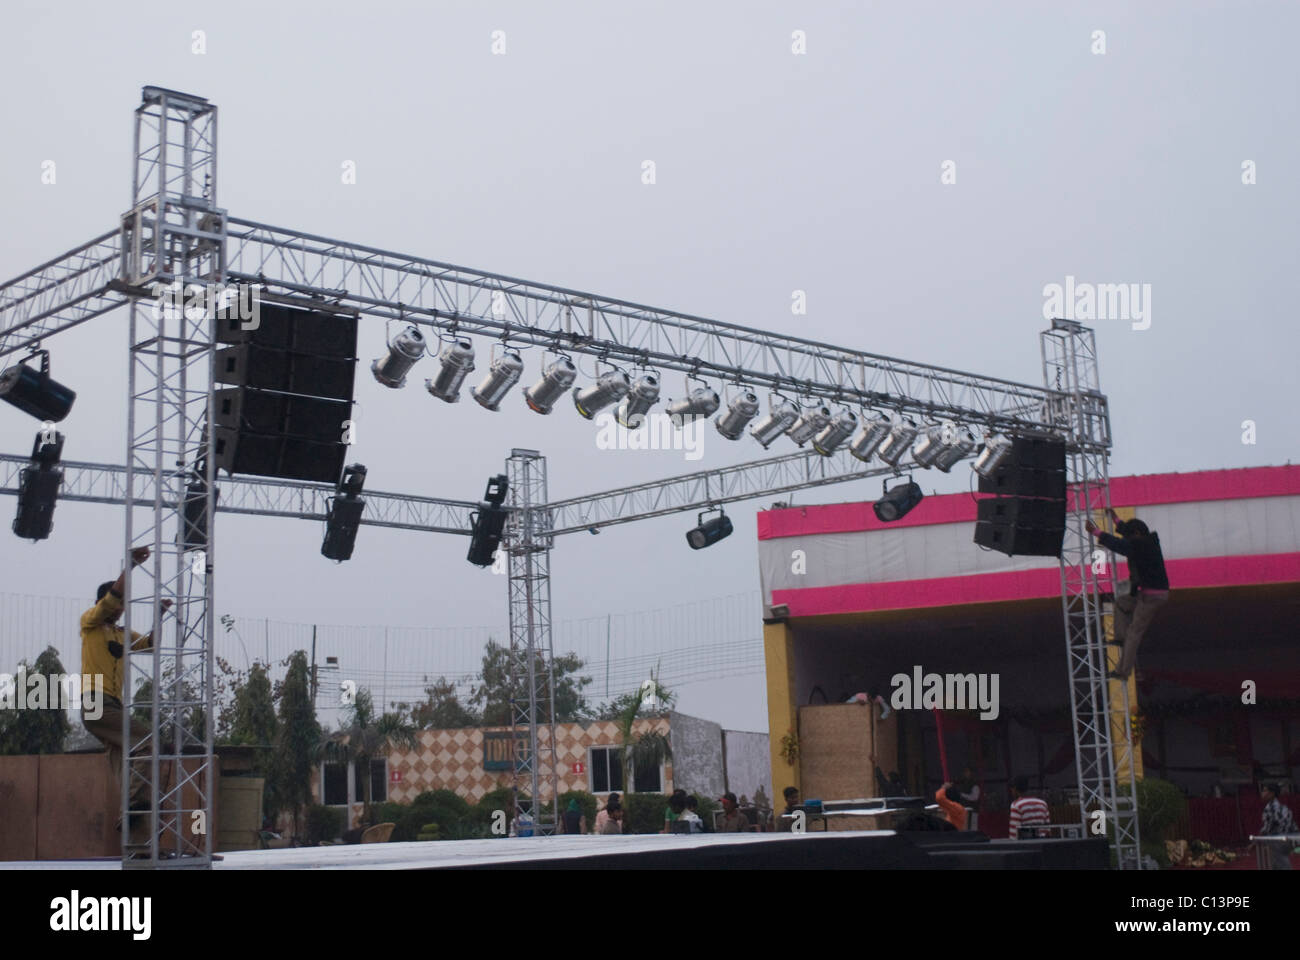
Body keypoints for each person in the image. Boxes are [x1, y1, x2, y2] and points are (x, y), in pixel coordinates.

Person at [80, 546, 175, 852]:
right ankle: (132, 808)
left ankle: (137, 843)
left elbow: (150, 645)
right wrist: (130, 567)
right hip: (95, 702)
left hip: (113, 706)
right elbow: (111, 602)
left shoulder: (121, 633)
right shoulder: (90, 623)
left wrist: (160, 616)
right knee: (146, 740)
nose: (120, 611)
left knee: (129, 770)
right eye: (116, 606)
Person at [1085, 509, 1170, 679]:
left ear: (1137, 534)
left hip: (1152, 598)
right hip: (1148, 593)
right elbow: (1127, 534)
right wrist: (1115, 519)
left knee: (1134, 633)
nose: (1129, 540)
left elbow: (1120, 545)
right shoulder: (1146, 540)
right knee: (1122, 603)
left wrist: (1096, 532)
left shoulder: (1142, 546)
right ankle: (1120, 637)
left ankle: (1122, 671)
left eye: (1131, 536)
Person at [1257, 783, 1297, 870]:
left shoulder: (1271, 808)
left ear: (1272, 793)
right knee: (1276, 864)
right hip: (1288, 839)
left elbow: (1268, 827)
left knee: (1282, 865)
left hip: (1278, 841)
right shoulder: (1283, 807)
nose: (1262, 793)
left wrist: (1256, 840)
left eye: (1264, 790)